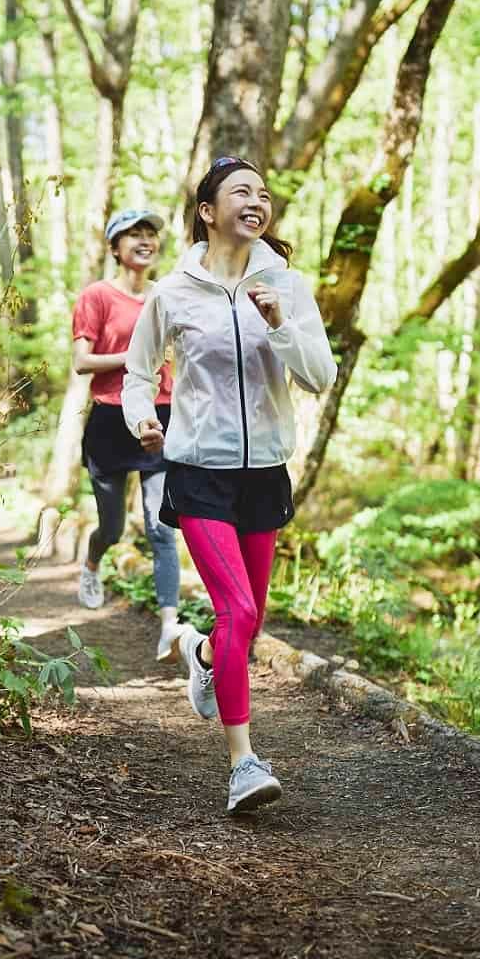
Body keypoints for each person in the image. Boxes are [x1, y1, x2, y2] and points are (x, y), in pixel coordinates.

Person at [121, 157, 337, 815]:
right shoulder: (173, 292)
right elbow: (137, 373)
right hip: (199, 470)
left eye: (264, 192)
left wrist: (279, 322)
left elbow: (320, 376)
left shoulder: (286, 284)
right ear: (209, 211)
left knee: (247, 619)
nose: (257, 200)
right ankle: (243, 762)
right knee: (240, 611)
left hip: (264, 472)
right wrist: (140, 421)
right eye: (242, 190)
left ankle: (201, 651)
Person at [72, 208, 182, 661]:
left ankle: (169, 626)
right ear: (115, 248)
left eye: (150, 234)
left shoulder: (171, 295)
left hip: (160, 414)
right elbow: (82, 362)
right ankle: (93, 561)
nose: (144, 241)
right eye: (132, 234)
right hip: (110, 420)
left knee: (161, 527)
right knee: (114, 527)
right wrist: (137, 357)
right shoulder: (97, 296)